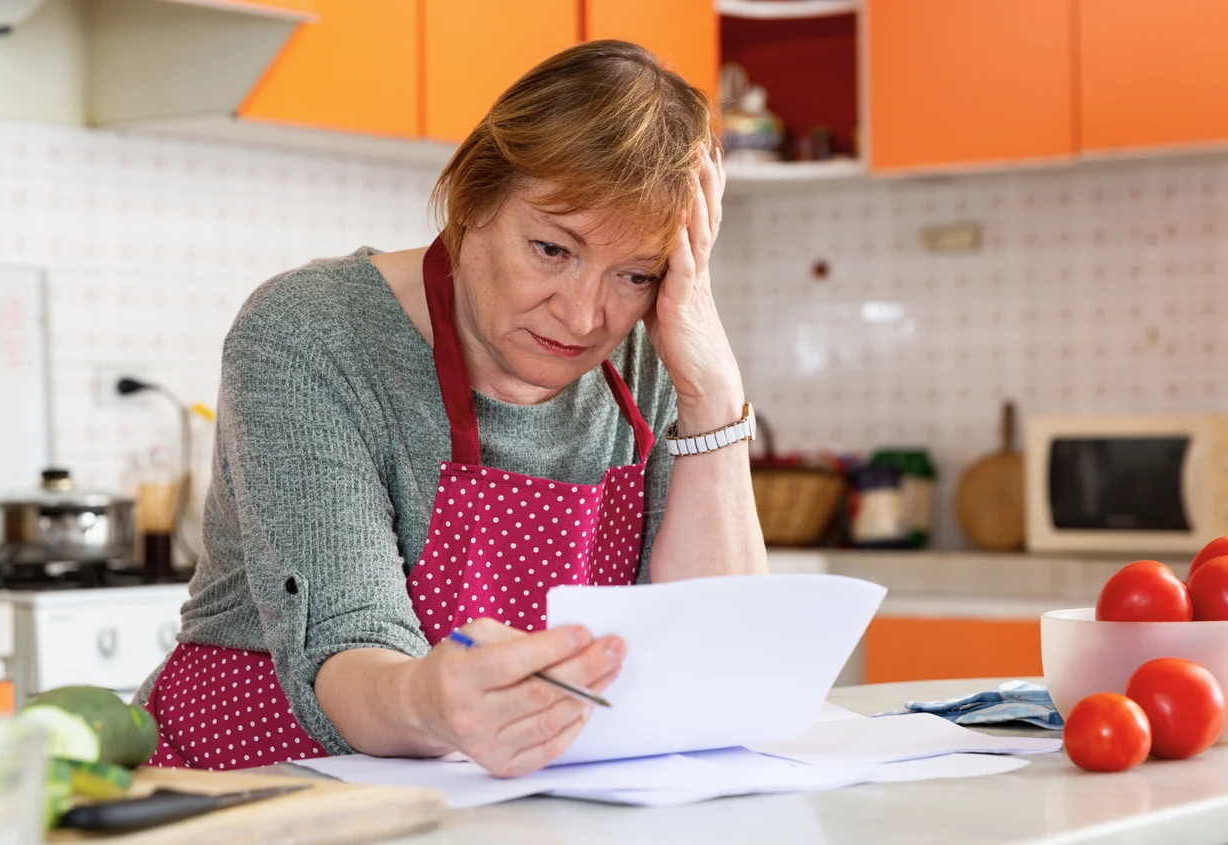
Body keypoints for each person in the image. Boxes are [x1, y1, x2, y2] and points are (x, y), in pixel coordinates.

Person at [138, 39, 767, 778]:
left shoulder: (651, 355)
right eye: (552, 249)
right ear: (473, 201)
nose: (584, 313)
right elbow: (346, 647)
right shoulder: (312, 332)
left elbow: (719, 651)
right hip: (256, 784)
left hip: (497, 798)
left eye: (634, 274)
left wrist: (714, 393)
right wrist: (436, 701)